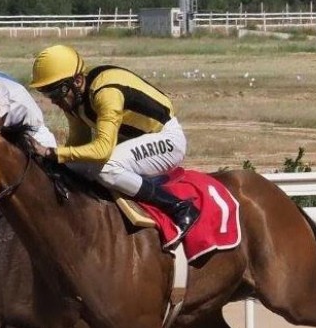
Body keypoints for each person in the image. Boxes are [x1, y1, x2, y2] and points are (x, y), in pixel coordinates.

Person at [29, 44, 199, 246]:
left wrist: (52, 152)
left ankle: (179, 207)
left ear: (77, 80)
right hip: (134, 141)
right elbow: (78, 144)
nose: (55, 102)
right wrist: (54, 163)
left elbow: (102, 151)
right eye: (49, 95)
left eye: (57, 93)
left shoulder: (106, 92)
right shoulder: (74, 100)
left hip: (167, 139)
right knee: (69, 168)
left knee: (108, 169)